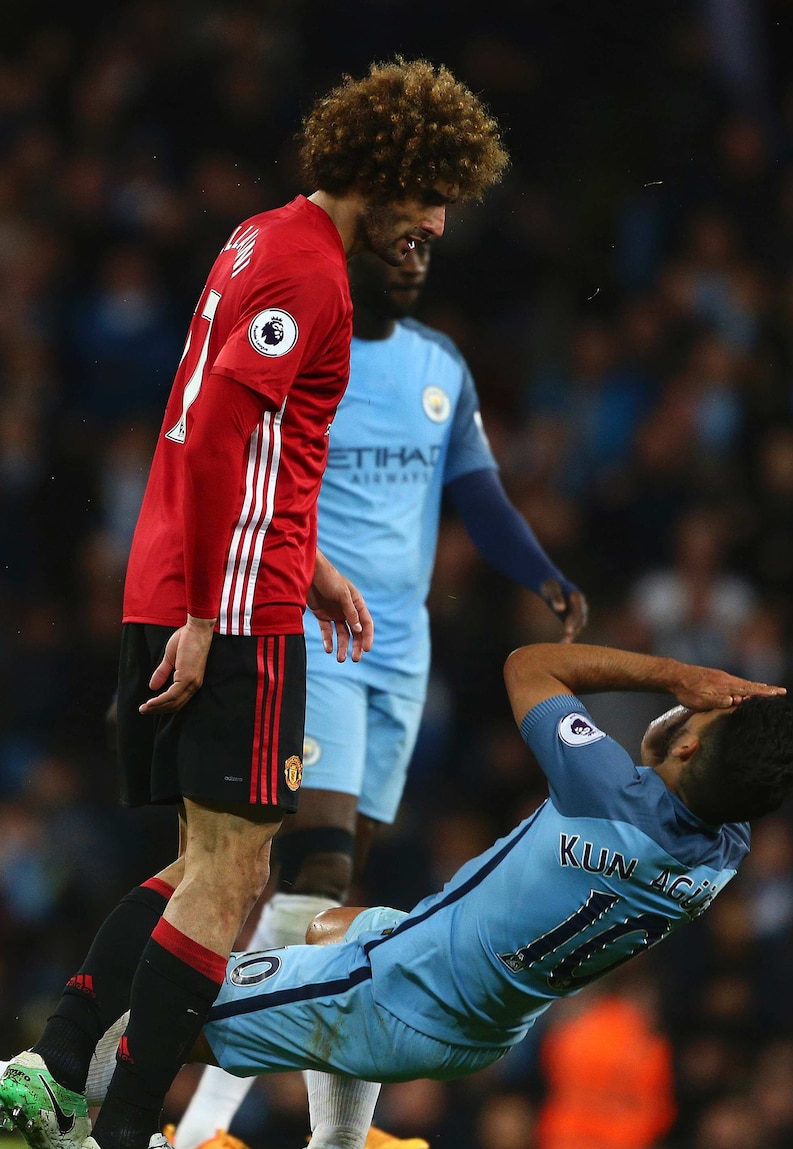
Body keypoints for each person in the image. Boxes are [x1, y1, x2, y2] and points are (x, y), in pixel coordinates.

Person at [0, 59, 508, 1149]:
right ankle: (125, 1129)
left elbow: (239, 441)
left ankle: (48, 1072)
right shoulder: (311, 278)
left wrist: (306, 558)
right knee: (236, 881)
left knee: (200, 869)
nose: (434, 225)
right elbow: (223, 432)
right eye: (423, 197)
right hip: (228, 607)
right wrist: (205, 613)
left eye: (446, 204)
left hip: (211, 580)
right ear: (374, 173)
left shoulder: (262, 237)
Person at [172, 240, 589, 1149]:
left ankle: (332, 1138)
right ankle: (200, 1121)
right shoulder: (317, 347)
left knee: (335, 896)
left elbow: (478, 494)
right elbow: (250, 460)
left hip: (402, 650)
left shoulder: (442, 365)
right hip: (315, 627)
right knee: (314, 869)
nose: (412, 259)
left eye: (426, 244)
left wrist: (543, 574)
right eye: (396, 241)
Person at [75, 641, 793, 1149]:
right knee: (333, 924)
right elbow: (675, 764)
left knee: (169, 1008)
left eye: (703, 714)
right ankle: (337, 1142)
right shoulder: (721, 856)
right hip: (484, 1022)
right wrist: (694, 732)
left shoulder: (603, 789)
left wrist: (677, 678)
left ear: (691, 746)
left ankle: (43, 1092)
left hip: (397, 992)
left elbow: (531, 664)